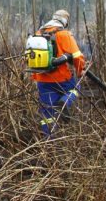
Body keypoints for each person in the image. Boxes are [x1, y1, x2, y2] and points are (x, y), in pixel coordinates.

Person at [31, 9, 85, 137]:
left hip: (42, 79)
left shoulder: (38, 33)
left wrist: (35, 77)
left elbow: (31, 57)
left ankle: (48, 140)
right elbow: (77, 56)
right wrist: (79, 70)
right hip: (62, 78)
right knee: (76, 88)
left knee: (47, 111)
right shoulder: (64, 34)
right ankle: (64, 102)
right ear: (65, 21)